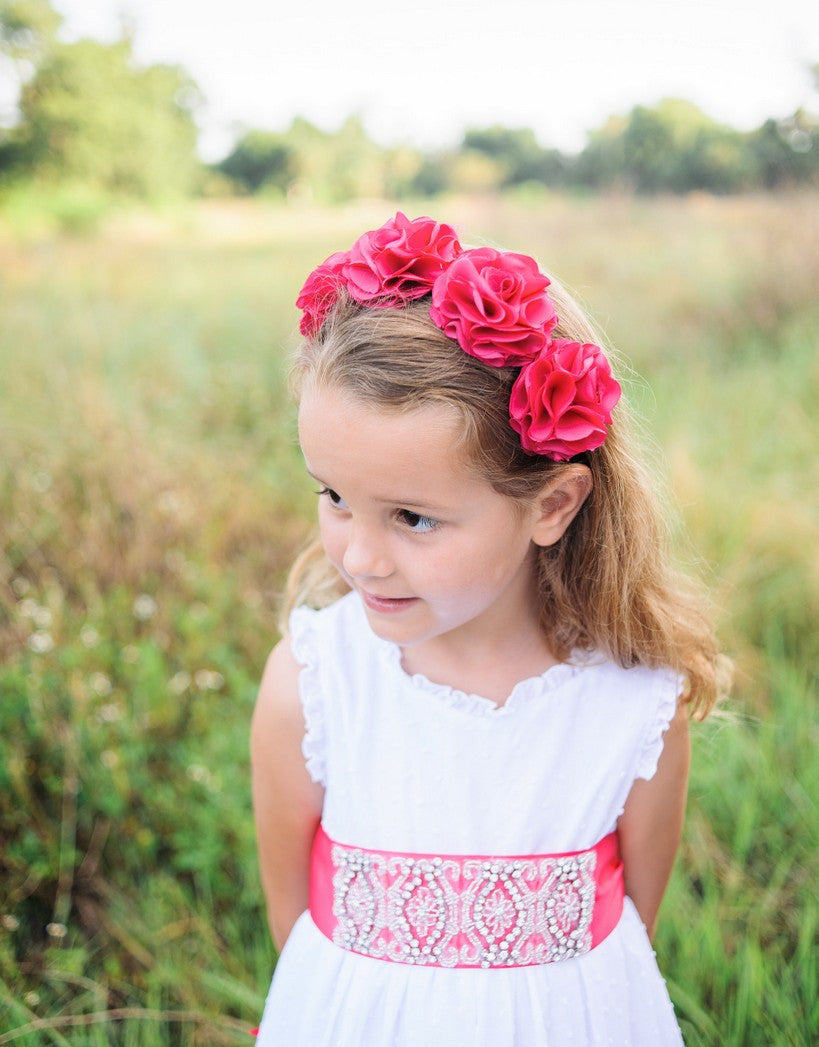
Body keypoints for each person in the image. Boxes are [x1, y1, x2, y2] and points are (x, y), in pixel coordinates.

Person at [250, 213, 724, 1045]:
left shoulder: (633, 699)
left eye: (412, 518)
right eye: (332, 496)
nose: (358, 555)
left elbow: (628, 919)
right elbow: (293, 916)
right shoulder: (317, 680)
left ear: (550, 505)